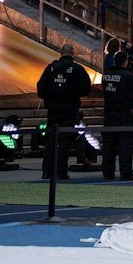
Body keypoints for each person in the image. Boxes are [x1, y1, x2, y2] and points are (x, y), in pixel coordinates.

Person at [36, 43, 89, 180]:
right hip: (69, 109)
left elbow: (40, 88)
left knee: (50, 141)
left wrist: (50, 98)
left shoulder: (51, 68)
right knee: (65, 141)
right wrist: (73, 95)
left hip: (53, 109)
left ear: (60, 52)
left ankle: (46, 171)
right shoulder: (77, 69)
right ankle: (61, 171)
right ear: (73, 53)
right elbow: (86, 88)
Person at [98, 41, 133, 180]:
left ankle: (107, 172)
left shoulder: (105, 76)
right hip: (125, 114)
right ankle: (126, 172)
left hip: (109, 113)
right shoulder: (130, 76)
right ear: (125, 62)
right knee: (125, 146)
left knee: (109, 146)